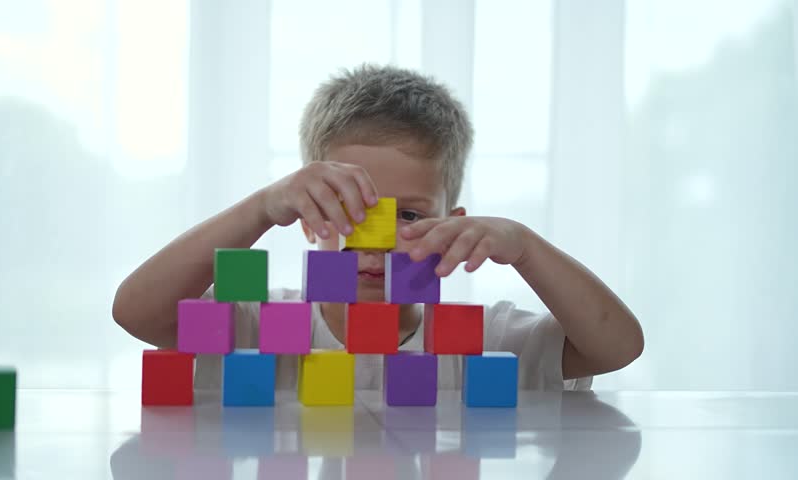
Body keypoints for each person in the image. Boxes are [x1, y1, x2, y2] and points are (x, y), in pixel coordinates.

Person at [112, 64, 644, 391]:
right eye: (347, 208)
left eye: (408, 216)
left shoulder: (487, 343)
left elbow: (615, 348)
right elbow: (136, 311)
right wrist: (260, 208)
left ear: (454, 228)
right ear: (305, 220)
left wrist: (525, 248)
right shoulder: (254, 331)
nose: (378, 238)